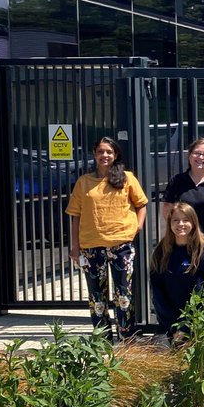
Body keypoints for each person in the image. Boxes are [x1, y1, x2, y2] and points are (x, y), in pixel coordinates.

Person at [66, 137, 149, 340]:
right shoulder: (83, 182)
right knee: (96, 296)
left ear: (116, 155)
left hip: (121, 245)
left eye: (109, 152)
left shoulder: (127, 178)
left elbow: (142, 204)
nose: (105, 155)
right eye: (101, 152)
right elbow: (75, 215)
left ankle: (126, 336)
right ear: (94, 154)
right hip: (91, 247)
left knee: (123, 294)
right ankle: (102, 338)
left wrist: (137, 227)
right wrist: (75, 247)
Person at [149, 203, 204, 339]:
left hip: (198, 323)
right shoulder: (160, 251)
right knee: (158, 354)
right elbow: (157, 293)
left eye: (186, 220)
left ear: (193, 222)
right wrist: (174, 327)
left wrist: (186, 328)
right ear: (169, 223)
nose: (180, 224)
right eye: (175, 220)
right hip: (169, 324)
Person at [160, 137, 204, 251]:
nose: (200, 157)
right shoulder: (177, 180)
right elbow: (167, 210)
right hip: (182, 241)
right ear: (189, 155)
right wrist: (181, 231)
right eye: (196, 153)